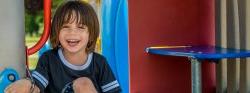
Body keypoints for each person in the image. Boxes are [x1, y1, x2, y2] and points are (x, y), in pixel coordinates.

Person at [4, 1, 121, 93]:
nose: (72, 33)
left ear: (90, 34)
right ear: (57, 31)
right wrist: (27, 83)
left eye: (80, 27)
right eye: (66, 27)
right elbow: (37, 86)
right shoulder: (49, 59)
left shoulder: (99, 63)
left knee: (83, 83)